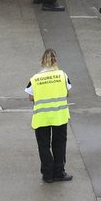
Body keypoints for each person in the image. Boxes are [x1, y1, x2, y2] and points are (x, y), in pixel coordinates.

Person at [26, 48, 73, 183]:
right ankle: (59, 172)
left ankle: (47, 174)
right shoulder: (62, 75)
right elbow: (68, 91)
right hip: (59, 115)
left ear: (42, 61)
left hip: (42, 117)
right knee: (59, 143)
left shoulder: (35, 78)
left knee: (44, 145)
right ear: (55, 61)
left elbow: (31, 97)